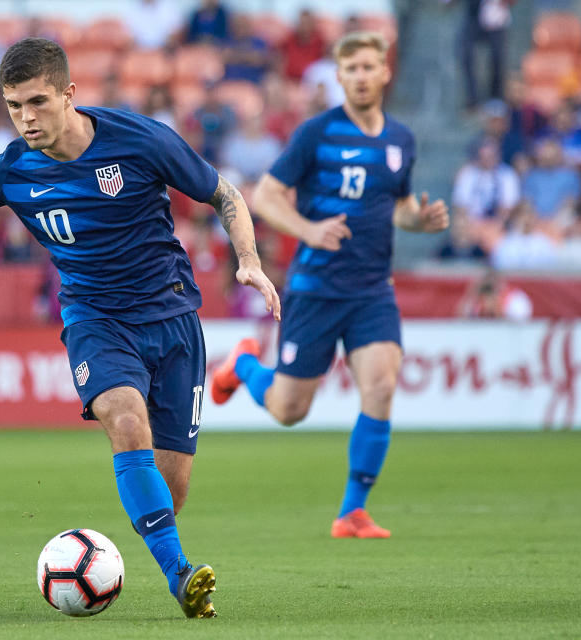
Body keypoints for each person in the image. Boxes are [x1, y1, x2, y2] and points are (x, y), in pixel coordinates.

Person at [0, 37, 281, 618]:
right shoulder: (13, 169)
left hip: (173, 317)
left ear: (68, 94)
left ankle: (162, 526)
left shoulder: (140, 140)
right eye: (14, 106)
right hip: (96, 320)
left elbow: (225, 194)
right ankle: (179, 575)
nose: (26, 117)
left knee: (173, 489)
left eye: (37, 101)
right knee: (124, 416)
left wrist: (249, 261)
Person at [211, 32, 449, 538]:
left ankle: (351, 512)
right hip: (316, 288)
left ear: (385, 72)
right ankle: (245, 365)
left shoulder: (400, 140)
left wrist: (418, 220)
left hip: (371, 290)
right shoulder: (316, 133)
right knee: (288, 409)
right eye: (352, 69)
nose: (361, 76)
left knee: (382, 385)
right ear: (339, 77)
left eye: (369, 67)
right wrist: (309, 230)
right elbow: (268, 196)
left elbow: (398, 206)